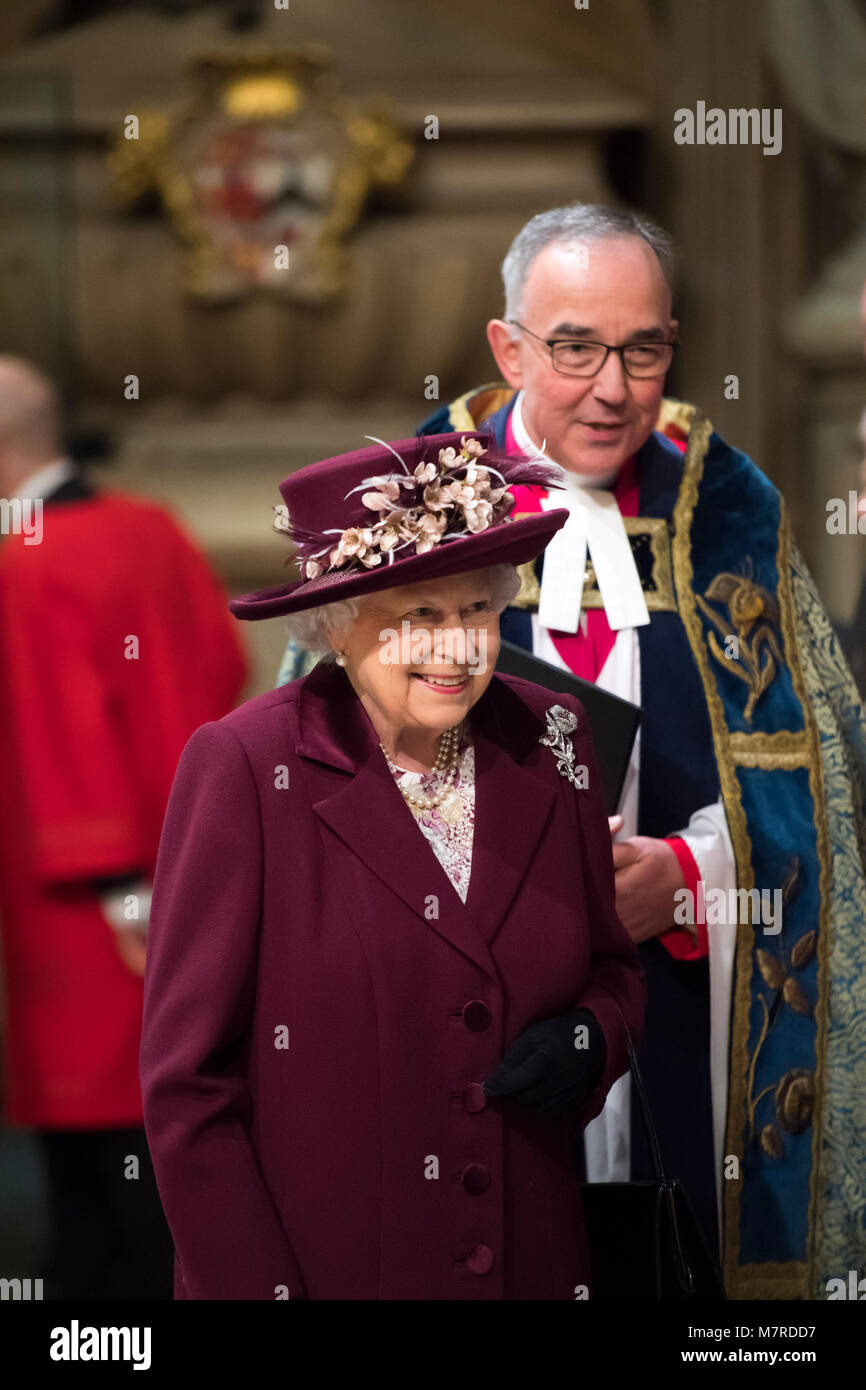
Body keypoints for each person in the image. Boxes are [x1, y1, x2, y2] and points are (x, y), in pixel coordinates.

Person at [405, 204, 866, 1301]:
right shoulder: (412, 511)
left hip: (678, 1019)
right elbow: (324, 782)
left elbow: (826, 783)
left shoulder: (726, 509)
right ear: (506, 346)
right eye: (573, 347)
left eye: (643, 348)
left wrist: (694, 880)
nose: (612, 387)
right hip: (472, 1005)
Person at [139, 430, 645, 1300]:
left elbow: (612, 967)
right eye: (421, 618)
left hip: (531, 1266)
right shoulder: (248, 766)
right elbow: (188, 1089)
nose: (458, 652)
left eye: (477, 613)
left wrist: (594, 1035)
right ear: (337, 624)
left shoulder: (554, 738)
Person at [0, 356, 248, 1297]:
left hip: (91, 903)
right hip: (191, 862)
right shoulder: (152, 528)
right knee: (177, 1118)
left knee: (93, 1172)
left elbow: (54, 737)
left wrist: (115, 884)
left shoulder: (26, 562)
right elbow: (222, 664)